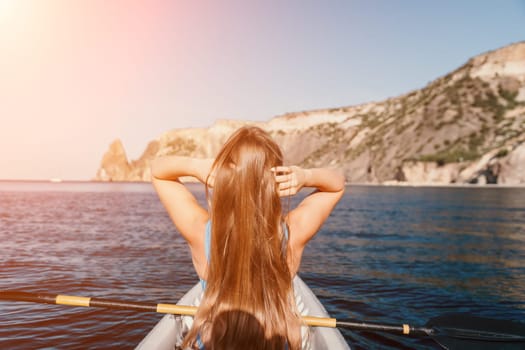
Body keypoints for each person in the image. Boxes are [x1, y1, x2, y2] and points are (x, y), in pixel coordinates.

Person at [151, 126, 345, 350]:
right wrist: (305, 176)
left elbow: (158, 171)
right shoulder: (293, 232)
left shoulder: (199, 230)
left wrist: (198, 167)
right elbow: (337, 184)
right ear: (276, 181)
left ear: (222, 176)